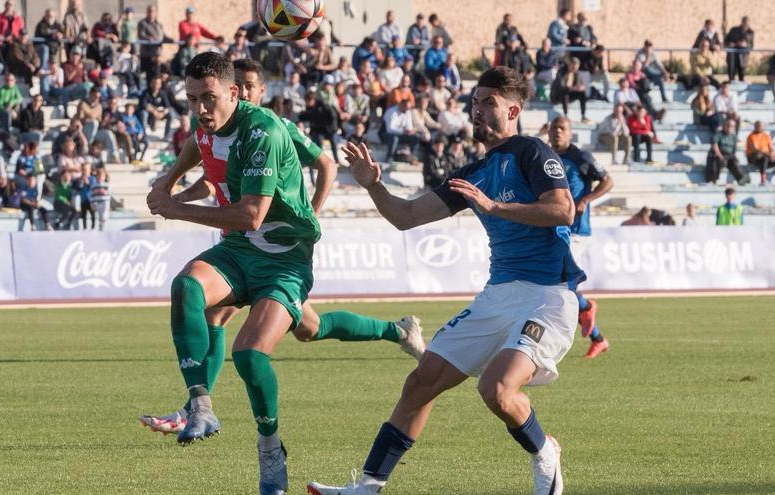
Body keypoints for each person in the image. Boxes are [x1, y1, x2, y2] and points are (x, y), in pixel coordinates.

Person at [142, 52, 424, 495]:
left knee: (253, 353)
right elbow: (199, 144)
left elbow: (253, 214)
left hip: (284, 256)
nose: (200, 109)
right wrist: (169, 178)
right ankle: (199, 405)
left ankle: (270, 446)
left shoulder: (269, 130)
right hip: (239, 249)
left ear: (236, 93)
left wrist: (176, 207)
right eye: (192, 99)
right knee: (188, 287)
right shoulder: (208, 122)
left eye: (209, 98)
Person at [308, 66, 581, 495]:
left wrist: (494, 208)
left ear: (513, 109)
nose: (477, 110)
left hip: (547, 296)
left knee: (497, 391)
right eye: (474, 103)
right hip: (497, 296)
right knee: (421, 383)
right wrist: (373, 187)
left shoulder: (532, 151)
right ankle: (368, 486)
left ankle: (545, 449)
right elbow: (406, 217)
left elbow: (563, 209)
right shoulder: (472, 171)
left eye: (487, 103)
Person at [548, 117, 613, 358]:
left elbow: (608, 180)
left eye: (562, 129)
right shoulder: (545, 157)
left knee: (561, 281)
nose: (557, 132)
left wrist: (585, 199)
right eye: (554, 128)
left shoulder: (581, 157)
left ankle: (586, 306)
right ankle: (598, 337)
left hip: (576, 230)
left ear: (570, 134)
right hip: (553, 227)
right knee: (556, 283)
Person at [706, 119, 748, 185]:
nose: (729, 128)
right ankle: (714, 179)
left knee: (734, 162)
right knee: (718, 159)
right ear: (724, 126)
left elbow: (733, 150)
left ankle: (742, 178)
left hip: (728, 155)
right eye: (728, 126)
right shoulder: (719, 134)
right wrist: (720, 155)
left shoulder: (734, 137)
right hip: (719, 154)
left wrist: (733, 158)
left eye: (732, 126)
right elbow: (715, 145)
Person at [551, 57, 589, 122]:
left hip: (570, 94)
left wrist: (581, 87)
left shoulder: (576, 73)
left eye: (576, 67)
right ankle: (566, 115)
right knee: (565, 93)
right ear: (570, 65)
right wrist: (573, 88)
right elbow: (561, 87)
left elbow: (579, 84)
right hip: (558, 95)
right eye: (573, 66)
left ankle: (583, 115)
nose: (575, 69)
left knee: (582, 93)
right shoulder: (561, 72)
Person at [746, 121, 774, 185]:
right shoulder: (751, 136)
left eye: (760, 126)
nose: (759, 127)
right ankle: (763, 180)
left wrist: (772, 154)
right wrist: (768, 154)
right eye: (757, 126)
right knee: (764, 158)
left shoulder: (766, 136)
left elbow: (771, 148)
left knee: (766, 158)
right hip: (753, 157)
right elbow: (756, 149)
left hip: (765, 157)